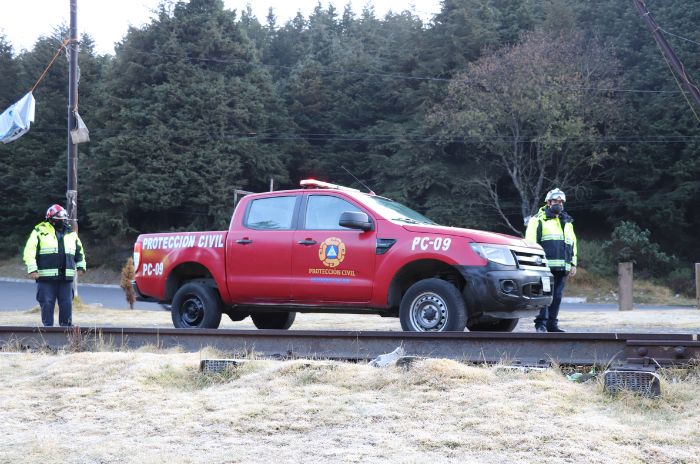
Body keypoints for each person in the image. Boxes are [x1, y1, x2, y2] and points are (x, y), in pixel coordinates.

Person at [23, 204, 86, 327]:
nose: (62, 221)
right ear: (51, 219)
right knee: (46, 303)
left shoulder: (71, 233)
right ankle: (47, 331)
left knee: (67, 303)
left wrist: (80, 266)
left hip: (65, 278)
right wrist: (32, 269)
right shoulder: (39, 231)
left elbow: (79, 251)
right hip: (46, 278)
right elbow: (29, 251)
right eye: (59, 219)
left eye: (64, 219)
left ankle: (66, 331)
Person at [525, 188, 577, 333]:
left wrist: (573, 263)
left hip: (563, 267)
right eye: (555, 201)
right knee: (544, 296)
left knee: (557, 297)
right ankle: (540, 324)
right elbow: (530, 243)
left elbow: (573, 243)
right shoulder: (537, 220)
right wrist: (533, 263)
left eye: (561, 202)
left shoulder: (567, 222)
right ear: (548, 202)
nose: (558, 204)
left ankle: (552, 325)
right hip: (544, 268)